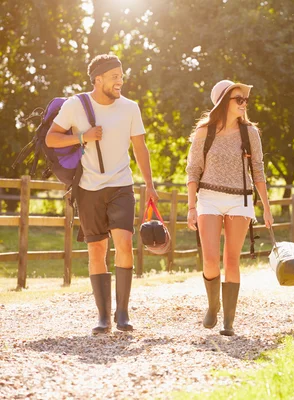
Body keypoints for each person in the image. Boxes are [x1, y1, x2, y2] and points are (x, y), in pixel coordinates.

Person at [46, 54, 159, 334]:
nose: (120, 81)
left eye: (121, 76)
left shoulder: (130, 108)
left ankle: (122, 313)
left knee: (123, 243)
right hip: (88, 188)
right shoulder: (75, 105)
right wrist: (82, 137)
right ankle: (102, 317)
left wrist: (150, 185)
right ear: (98, 79)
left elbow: (140, 148)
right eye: (114, 76)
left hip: (121, 185)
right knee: (96, 249)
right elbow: (52, 138)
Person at [186, 79, 273, 336]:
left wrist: (266, 208)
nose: (244, 104)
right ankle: (213, 306)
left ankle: (229, 321)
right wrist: (191, 207)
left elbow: (258, 171)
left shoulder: (251, 133)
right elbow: (193, 171)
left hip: (241, 200)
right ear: (224, 102)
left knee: (231, 260)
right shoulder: (204, 132)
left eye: (245, 100)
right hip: (209, 198)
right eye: (239, 99)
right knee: (211, 259)